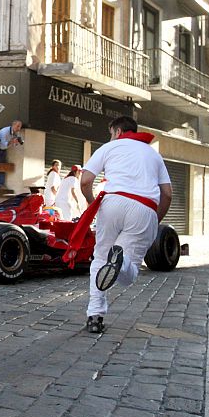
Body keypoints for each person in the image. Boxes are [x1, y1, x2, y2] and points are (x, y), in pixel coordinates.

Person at [72, 116, 172, 334]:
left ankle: (95, 316)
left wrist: (92, 203)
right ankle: (122, 260)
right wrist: (155, 219)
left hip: (112, 202)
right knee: (130, 273)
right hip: (144, 208)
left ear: (117, 132)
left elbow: (86, 180)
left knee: (100, 258)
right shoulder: (154, 154)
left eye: (111, 133)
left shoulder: (109, 147)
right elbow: (167, 194)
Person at [0, 120, 23, 190]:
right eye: (18, 126)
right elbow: (2, 145)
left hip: (4, 149)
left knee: (2, 166)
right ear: (13, 125)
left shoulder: (16, 133)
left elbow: (14, 145)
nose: (19, 128)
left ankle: (0, 184)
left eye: (20, 127)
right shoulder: (5, 131)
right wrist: (11, 142)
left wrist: (16, 142)